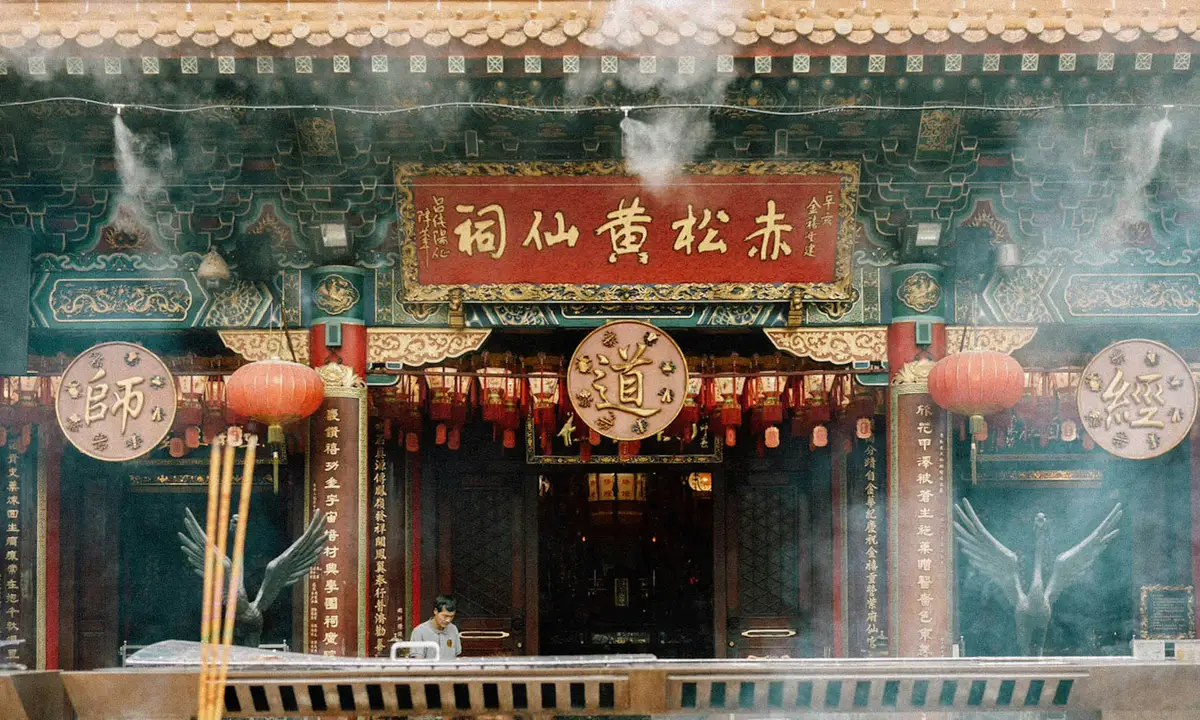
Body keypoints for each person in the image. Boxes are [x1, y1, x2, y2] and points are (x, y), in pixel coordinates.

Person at [409, 595, 462, 661]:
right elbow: (417, 662)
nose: (448, 620)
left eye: (451, 616)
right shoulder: (419, 631)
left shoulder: (453, 629)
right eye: (445, 616)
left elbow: (457, 656)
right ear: (435, 611)